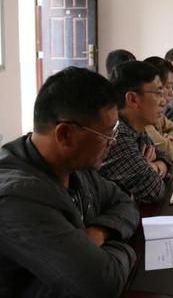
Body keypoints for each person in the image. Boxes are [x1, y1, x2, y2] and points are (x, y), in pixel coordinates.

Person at [0, 67, 139, 297]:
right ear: (65, 134)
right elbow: (101, 283)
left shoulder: (73, 164)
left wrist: (99, 232)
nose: (113, 142)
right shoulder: (16, 199)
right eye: (107, 134)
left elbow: (125, 203)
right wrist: (129, 248)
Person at [100, 61, 172, 203]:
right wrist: (154, 167)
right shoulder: (117, 135)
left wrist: (154, 166)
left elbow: (165, 157)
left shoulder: (136, 126)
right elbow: (154, 191)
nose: (163, 101)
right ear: (132, 99)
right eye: (158, 93)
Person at [144, 57, 173, 161]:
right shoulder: (143, 120)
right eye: (168, 87)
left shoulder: (157, 113)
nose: (172, 92)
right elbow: (170, 154)